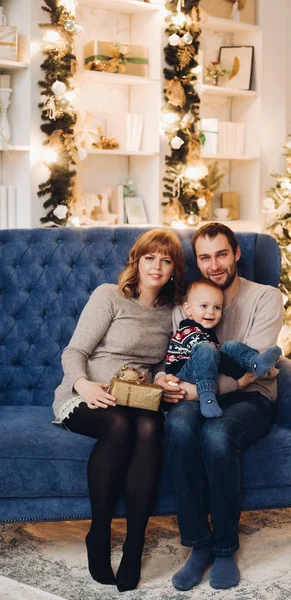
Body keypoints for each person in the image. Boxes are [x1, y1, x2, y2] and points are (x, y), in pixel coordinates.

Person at [52, 229, 184, 592]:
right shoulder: (109, 296)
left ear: (174, 268)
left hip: (137, 398)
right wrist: (84, 385)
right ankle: (99, 534)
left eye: (166, 259)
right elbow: (74, 351)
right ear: (136, 261)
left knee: (148, 428)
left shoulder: (171, 312)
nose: (156, 266)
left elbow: (161, 364)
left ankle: (134, 544)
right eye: (150, 257)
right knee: (120, 425)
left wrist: (162, 381)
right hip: (88, 395)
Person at [156, 223, 284, 591]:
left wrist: (199, 393)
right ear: (197, 261)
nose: (214, 264)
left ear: (237, 253)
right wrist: (163, 382)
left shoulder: (265, 297)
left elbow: (250, 372)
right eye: (205, 257)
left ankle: (226, 546)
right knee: (179, 428)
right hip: (197, 392)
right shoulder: (189, 299)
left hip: (250, 395)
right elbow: (173, 356)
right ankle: (198, 545)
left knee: (217, 434)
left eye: (222, 254)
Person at [165, 278, 282, 418]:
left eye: (217, 307)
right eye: (204, 306)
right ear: (188, 310)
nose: (211, 312)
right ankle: (207, 397)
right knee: (207, 350)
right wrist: (239, 375)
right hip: (182, 374)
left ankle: (255, 362)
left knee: (230, 346)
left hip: (203, 366)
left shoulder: (205, 332)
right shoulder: (189, 331)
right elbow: (213, 357)